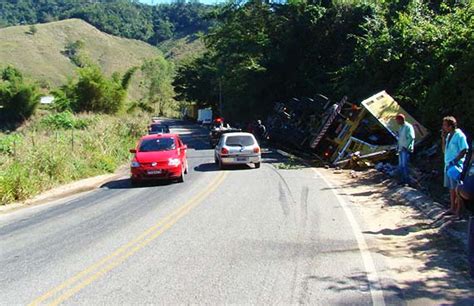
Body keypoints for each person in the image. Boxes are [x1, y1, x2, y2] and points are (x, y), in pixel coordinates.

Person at [442, 116, 469, 215]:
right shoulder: (449, 136)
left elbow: (464, 149)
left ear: (450, 126)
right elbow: (444, 150)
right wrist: (443, 138)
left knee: (457, 189)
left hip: (456, 166)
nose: (443, 127)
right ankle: (452, 207)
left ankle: (458, 210)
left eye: (445, 125)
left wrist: (455, 161)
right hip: (447, 165)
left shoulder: (459, 135)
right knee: (451, 188)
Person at [395, 114, 415, 185]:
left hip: (405, 149)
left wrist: (406, 146)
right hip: (400, 149)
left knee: (404, 165)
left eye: (397, 120)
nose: (396, 122)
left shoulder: (408, 127)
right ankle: (402, 180)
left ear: (401, 119)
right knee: (400, 166)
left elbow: (411, 137)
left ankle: (407, 181)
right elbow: (400, 138)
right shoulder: (401, 127)